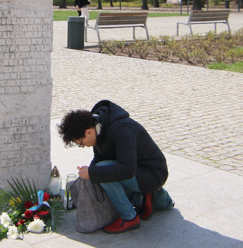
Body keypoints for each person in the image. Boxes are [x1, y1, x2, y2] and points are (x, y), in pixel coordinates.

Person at [59, 100, 173, 234]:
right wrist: (90, 174)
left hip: (153, 174)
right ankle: (151, 197)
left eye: (81, 143)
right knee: (106, 186)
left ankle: (129, 217)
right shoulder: (99, 126)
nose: (83, 146)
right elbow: (100, 157)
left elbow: (127, 170)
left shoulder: (120, 129)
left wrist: (93, 172)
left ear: (88, 132)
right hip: (138, 171)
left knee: (103, 174)